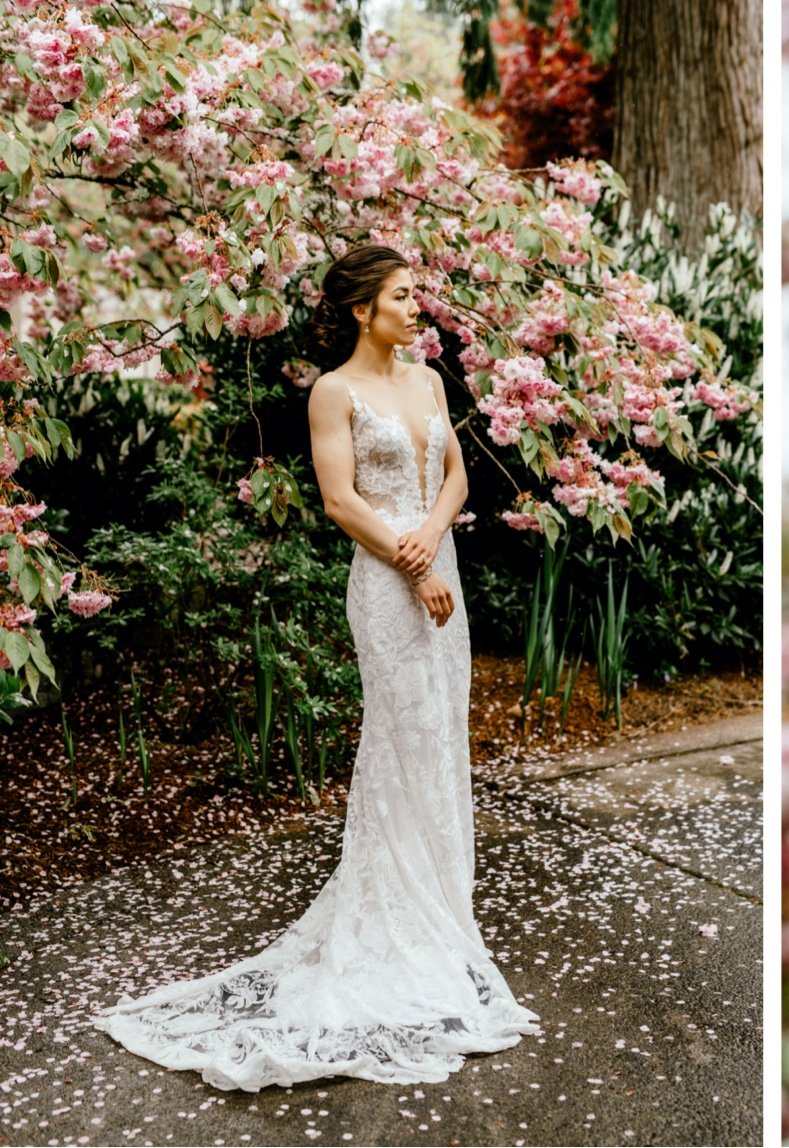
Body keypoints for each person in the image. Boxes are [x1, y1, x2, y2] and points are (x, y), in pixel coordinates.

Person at [93, 244, 540, 1091]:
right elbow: (340, 500)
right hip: (386, 581)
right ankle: (395, 919)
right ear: (364, 310)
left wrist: (434, 545)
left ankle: (445, 916)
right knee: (401, 739)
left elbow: (455, 476)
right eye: (404, 297)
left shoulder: (431, 382)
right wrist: (409, 566)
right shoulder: (334, 392)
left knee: (442, 737)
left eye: (418, 295)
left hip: (437, 574)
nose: (419, 309)